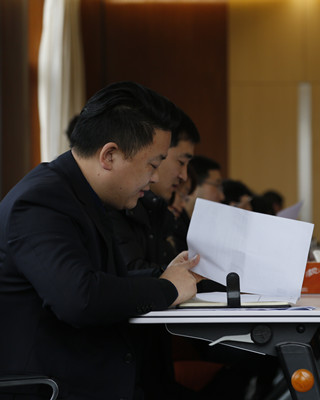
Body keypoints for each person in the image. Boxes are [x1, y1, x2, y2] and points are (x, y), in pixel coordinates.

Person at [0, 81, 202, 399]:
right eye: (152, 164)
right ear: (109, 156)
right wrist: (167, 288)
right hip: (57, 389)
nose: (154, 177)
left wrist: (167, 276)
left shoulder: (83, 194)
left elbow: (103, 280)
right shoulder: (40, 201)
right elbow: (79, 298)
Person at [109, 110, 200, 275]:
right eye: (181, 162)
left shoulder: (156, 207)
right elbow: (130, 274)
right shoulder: (118, 201)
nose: (184, 176)